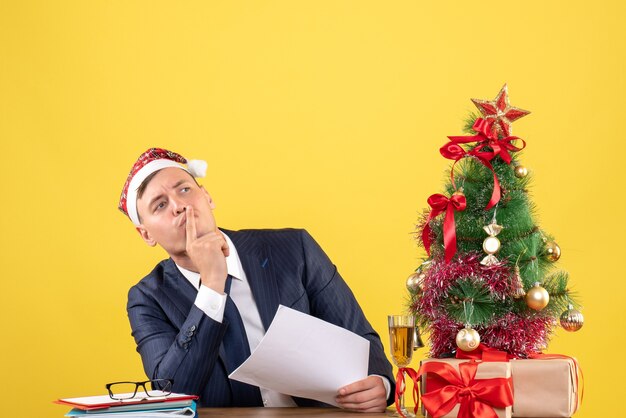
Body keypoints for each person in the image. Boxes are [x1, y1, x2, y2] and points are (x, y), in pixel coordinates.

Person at [118, 148, 395, 412]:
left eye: (184, 189)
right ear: (146, 234)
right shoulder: (147, 298)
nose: (179, 206)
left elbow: (360, 339)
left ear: (207, 197)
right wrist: (212, 284)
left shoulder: (294, 248)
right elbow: (175, 393)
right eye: (161, 205)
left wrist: (380, 384)